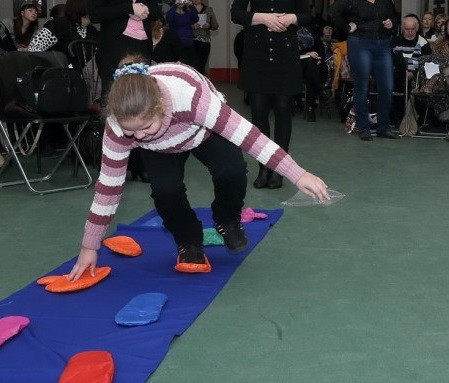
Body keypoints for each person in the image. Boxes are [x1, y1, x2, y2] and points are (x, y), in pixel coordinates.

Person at [67, 59, 330, 280]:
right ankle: (188, 241)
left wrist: (298, 174)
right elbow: (108, 189)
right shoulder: (118, 126)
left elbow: (251, 138)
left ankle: (227, 219)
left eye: (145, 127)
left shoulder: (192, 98)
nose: (138, 137)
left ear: (160, 107)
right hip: (160, 148)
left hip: (202, 131)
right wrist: (89, 246)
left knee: (232, 171)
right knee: (165, 191)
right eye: (130, 132)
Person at [231, 0, 310, 189]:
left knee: (283, 112)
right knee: (259, 114)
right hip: (257, 55)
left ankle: (280, 169)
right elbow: (236, 14)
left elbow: (307, 15)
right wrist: (263, 18)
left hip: (285, 55)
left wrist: (291, 18)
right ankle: (264, 167)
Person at [89, 0, 162, 183]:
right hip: (114, 47)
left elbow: (157, 11)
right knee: (113, 104)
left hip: (142, 47)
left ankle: (140, 165)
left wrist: (144, 10)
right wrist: (129, 8)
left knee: (142, 102)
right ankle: (109, 164)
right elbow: (95, 14)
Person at [328, 0, 398, 141]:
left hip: (383, 44)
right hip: (359, 42)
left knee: (387, 87)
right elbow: (332, 11)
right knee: (362, 86)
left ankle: (383, 127)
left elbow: (394, 18)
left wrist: (391, 24)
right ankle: (363, 127)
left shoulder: (385, 1)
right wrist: (346, 27)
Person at [27, 0, 99, 58]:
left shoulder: (92, 30)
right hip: (59, 70)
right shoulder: (57, 25)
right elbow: (34, 49)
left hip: (85, 72)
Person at [390, 14, 427, 125]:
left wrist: (413, 72)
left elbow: (426, 62)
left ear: (416, 28)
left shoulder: (423, 42)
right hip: (398, 73)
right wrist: (405, 71)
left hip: (418, 74)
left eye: (412, 29)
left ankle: (414, 119)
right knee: (397, 82)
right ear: (403, 29)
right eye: (407, 29)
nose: (410, 32)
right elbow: (392, 60)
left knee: (413, 84)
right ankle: (399, 118)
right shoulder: (395, 42)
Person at [165, 0, 198, 67]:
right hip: (175, 44)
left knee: (190, 64)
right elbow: (169, 19)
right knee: (176, 65)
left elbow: (196, 19)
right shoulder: (172, 11)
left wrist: (191, 5)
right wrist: (175, 5)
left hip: (188, 43)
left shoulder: (188, 11)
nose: (182, 1)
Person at [190, 0, 218, 75]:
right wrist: (192, 26)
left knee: (202, 62)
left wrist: (209, 25)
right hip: (192, 40)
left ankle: (200, 78)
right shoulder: (188, 10)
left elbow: (215, 25)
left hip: (205, 40)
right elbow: (182, 24)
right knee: (193, 63)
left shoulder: (209, 9)